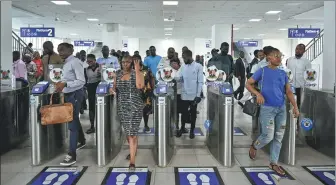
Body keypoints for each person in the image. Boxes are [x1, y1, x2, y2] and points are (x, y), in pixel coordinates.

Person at [246, 47, 299, 175]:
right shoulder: (262, 71)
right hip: (267, 109)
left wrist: (295, 106)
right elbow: (248, 83)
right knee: (268, 136)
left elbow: (288, 91)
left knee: (278, 136)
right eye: (277, 56)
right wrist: (257, 94)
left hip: (281, 109)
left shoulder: (283, 73)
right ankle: (255, 146)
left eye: (280, 56)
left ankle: (273, 163)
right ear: (269, 58)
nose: (280, 58)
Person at [110, 56, 144, 170]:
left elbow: (140, 86)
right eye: (123, 62)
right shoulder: (118, 74)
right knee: (130, 132)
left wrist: (137, 69)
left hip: (135, 106)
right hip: (122, 107)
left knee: (131, 133)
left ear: (132, 62)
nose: (125, 64)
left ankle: (132, 161)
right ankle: (134, 151)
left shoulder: (137, 73)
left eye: (128, 62)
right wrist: (112, 90)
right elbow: (115, 88)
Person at [55, 43, 86, 166]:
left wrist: (66, 85)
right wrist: (61, 85)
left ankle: (71, 154)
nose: (60, 52)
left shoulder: (75, 62)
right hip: (68, 94)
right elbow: (68, 79)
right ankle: (82, 140)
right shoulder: (66, 63)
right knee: (74, 119)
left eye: (62, 50)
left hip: (75, 94)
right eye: (58, 50)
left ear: (71, 50)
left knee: (71, 123)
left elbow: (81, 81)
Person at [176, 50, 203, 139]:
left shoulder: (198, 66)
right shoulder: (183, 66)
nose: (183, 59)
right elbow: (177, 76)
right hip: (184, 94)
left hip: (194, 95)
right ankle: (182, 128)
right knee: (183, 113)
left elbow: (200, 82)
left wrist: (198, 95)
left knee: (193, 113)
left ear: (189, 56)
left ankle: (192, 131)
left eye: (184, 58)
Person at [286, 44, 310, 112]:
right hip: (290, 86)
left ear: (304, 51)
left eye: (300, 49)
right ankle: (290, 121)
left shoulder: (306, 61)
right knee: (289, 105)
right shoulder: (290, 60)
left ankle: (298, 121)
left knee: (299, 105)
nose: (297, 50)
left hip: (301, 87)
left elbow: (308, 75)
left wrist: (307, 86)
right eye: (296, 49)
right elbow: (288, 72)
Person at [85, 54, 101, 134]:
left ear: (95, 60)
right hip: (90, 87)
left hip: (100, 87)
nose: (89, 63)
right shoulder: (86, 69)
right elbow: (85, 79)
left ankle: (101, 125)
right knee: (91, 107)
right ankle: (92, 126)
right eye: (88, 61)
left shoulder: (100, 67)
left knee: (101, 106)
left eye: (91, 61)